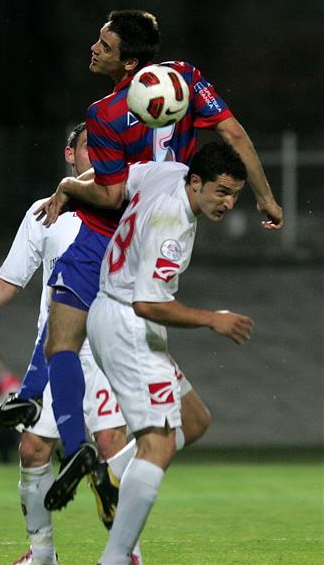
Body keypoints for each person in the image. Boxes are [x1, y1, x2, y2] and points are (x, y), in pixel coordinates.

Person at [33, 9, 282, 507]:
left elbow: (110, 194)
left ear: (128, 64)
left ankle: (80, 451)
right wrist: (266, 196)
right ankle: (111, 470)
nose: (95, 48)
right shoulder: (186, 77)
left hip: (108, 239)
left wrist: (66, 185)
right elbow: (234, 135)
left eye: (104, 44)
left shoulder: (103, 113)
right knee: (190, 418)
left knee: (60, 342)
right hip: (164, 229)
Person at [0, 123, 139, 565]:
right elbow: (10, 279)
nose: (97, 155)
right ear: (70, 155)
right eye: (89, 146)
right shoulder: (46, 212)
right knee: (31, 450)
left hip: (105, 348)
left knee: (110, 444)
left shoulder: (125, 207)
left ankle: (127, 553)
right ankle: (41, 553)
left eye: (105, 148)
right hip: (56, 352)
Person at [87, 142, 254, 564]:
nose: (228, 203)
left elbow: (116, 179)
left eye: (234, 194)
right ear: (195, 182)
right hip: (130, 321)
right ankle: (116, 558)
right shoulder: (172, 226)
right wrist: (211, 319)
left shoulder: (167, 173)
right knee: (158, 447)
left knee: (194, 420)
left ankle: (112, 472)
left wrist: (68, 187)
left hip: (114, 313)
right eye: (220, 191)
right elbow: (148, 303)